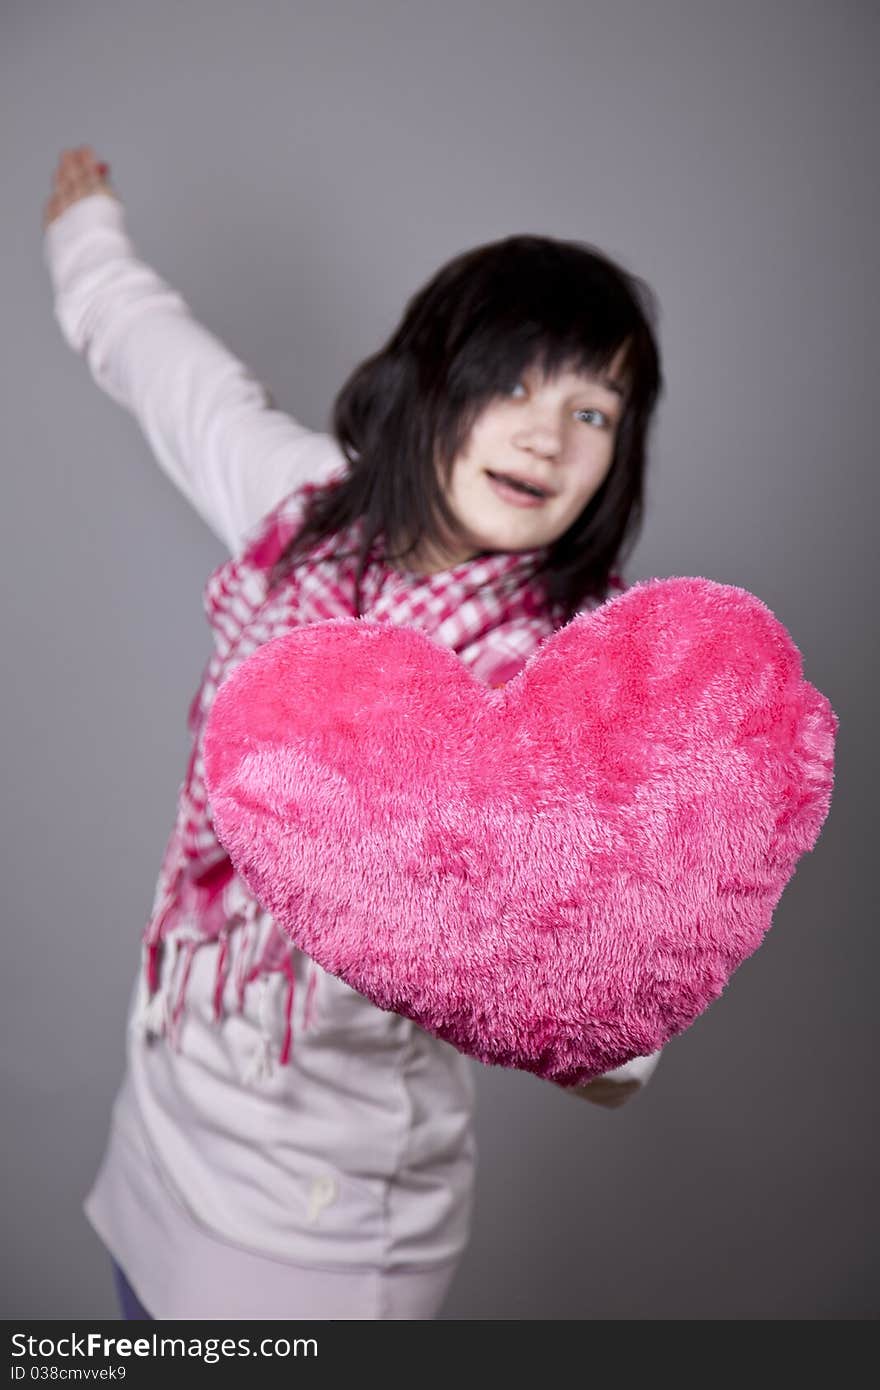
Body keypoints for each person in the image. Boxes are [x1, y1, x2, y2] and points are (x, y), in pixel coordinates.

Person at [42, 145, 665, 1321]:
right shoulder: (312, 521)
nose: (545, 438)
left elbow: (619, 1045)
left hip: (312, 1238)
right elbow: (167, 369)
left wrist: (416, 909)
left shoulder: (566, 697)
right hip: (162, 1130)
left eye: (592, 410)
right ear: (430, 380)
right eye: (515, 385)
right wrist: (88, 238)